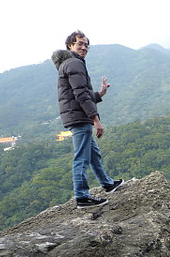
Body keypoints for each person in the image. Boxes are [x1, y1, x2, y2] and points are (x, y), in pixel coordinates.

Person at [51, 30, 123, 208]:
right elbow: (81, 95)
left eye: (86, 44)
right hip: (79, 116)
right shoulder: (74, 63)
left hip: (76, 114)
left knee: (93, 154)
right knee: (82, 157)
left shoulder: (69, 63)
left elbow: (82, 92)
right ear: (70, 46)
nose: (84, 47)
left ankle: (107, 184)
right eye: (80, 44)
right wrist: (95, 119)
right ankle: (82, 196)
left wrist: (100, 94)